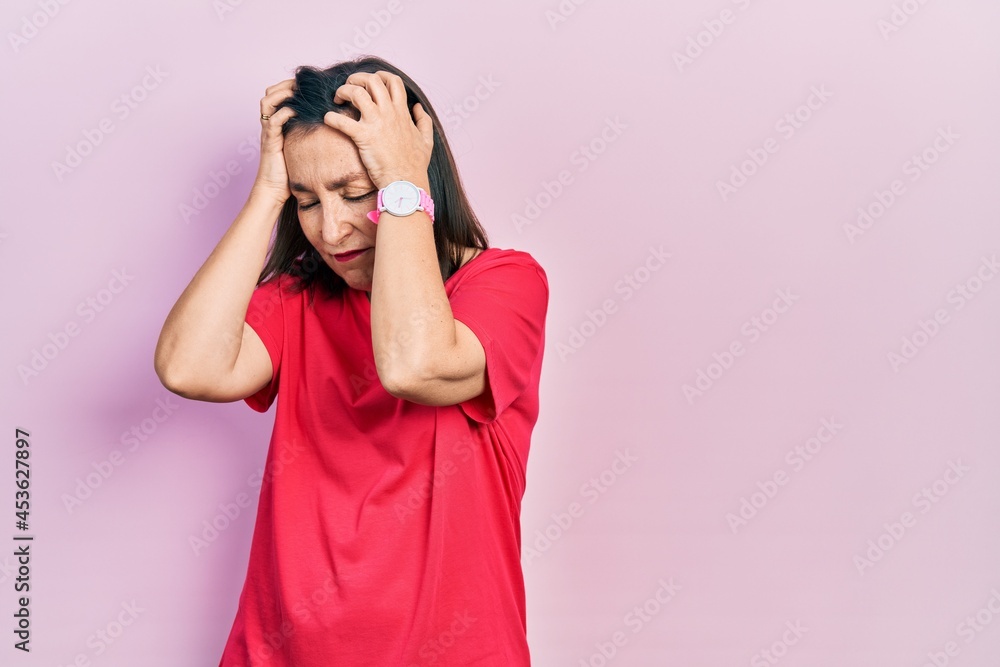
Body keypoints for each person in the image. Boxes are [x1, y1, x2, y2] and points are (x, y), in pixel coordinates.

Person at [153, 55, 548, 666]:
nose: (330, 230)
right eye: (307, 201)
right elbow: (188, 368)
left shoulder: (504, 285)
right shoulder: (297, 300)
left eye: (357, 193)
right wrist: (266, 193)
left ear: (416, 179)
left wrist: (401, 179)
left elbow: (413, 364)